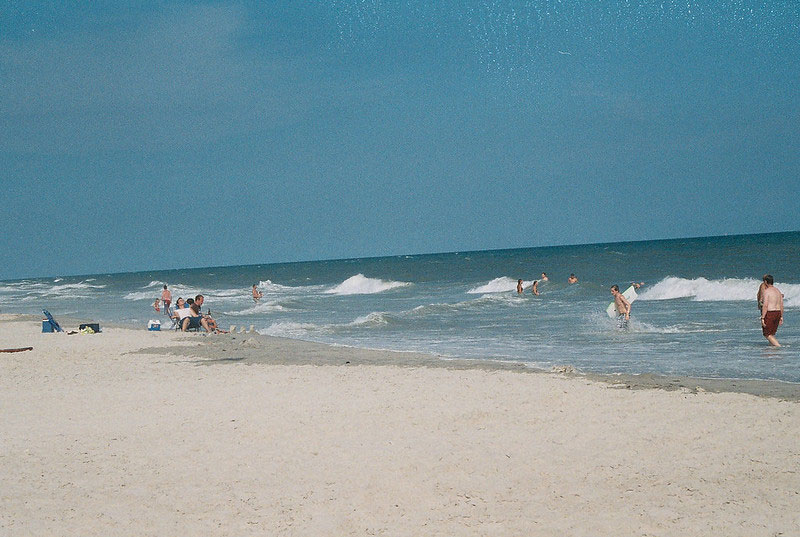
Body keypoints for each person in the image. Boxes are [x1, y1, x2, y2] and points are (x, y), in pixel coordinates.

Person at [760, 274, 784, 347]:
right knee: (772, 333)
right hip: (778, 312)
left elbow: (765, 305)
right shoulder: (778, 291)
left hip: (770, 313)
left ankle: (778, 346)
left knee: (767, 334)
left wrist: (763, 317)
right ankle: (772, 351)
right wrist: (781, 316)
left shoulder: (767, 291)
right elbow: (781, 305)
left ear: (766, 282)